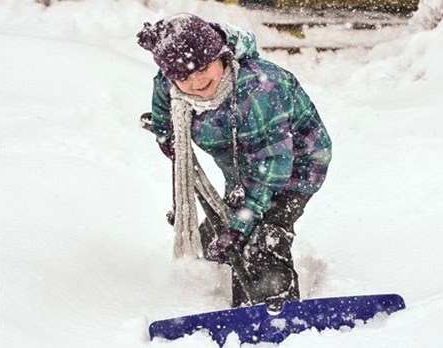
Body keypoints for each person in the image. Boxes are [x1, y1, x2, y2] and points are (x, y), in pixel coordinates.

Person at [136, 13, 332, 309]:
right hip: (241, 170)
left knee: (262, 238)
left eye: (203, 67)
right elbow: (165, 113)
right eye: (183, 75)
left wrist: (243, 226)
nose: (196, 81)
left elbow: (271, 168)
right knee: (218, 236)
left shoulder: (259, 90)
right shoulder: (171, 85)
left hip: (294, 168)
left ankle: (274, 311)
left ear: (223, 56)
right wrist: (167, 139)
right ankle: (219, 278)